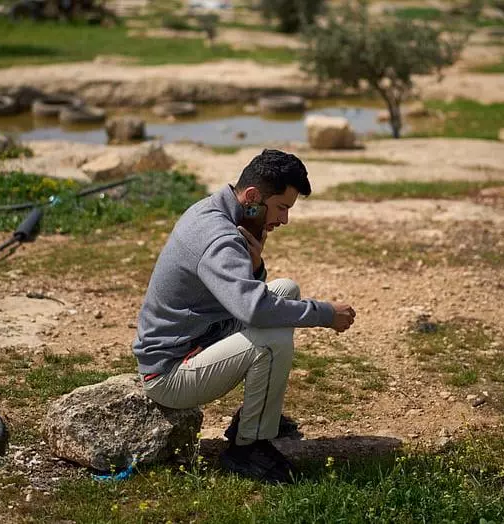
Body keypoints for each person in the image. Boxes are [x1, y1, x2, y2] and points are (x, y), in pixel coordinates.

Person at [131, 149, 357, 483]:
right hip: (169, 374)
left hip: (201, 339)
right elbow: (255, 310)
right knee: (272, 338)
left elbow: (245, 297)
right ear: (252, 197)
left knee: (285, 289)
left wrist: (255, 266)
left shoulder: (216, 212)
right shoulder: (218, 238)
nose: (284, 220)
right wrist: (325, 314)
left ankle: (254, 419)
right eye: (281, 207)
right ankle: (247, 449)